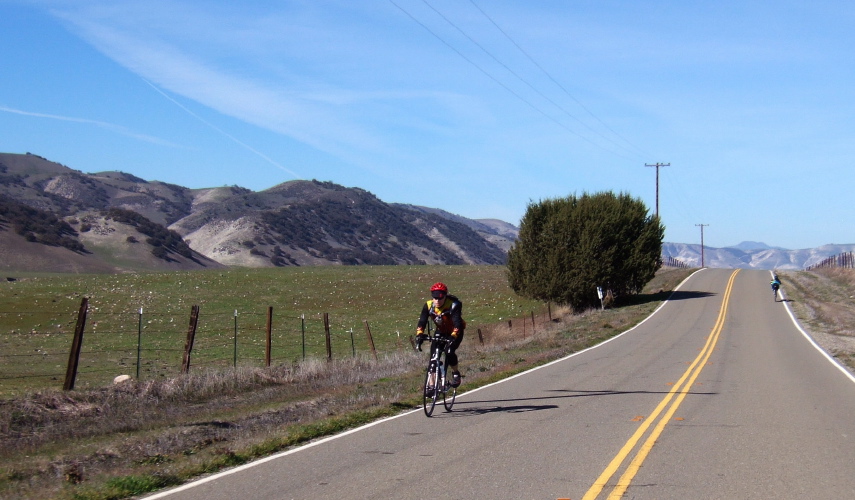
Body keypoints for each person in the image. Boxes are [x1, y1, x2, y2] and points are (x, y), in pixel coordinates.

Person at [415, 282, 465, 388]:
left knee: (449, 351)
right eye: (435, 298)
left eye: (440, 298)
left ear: (445, 296)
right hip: (441, 331)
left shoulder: (454, 304)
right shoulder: (428, 305)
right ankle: (432, 386)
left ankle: (456, 373)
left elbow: (457, 322)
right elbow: (422, 321)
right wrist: (419, 334)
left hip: (455, 331)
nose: (437, 301)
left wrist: (454, 335)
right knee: (433, 358)